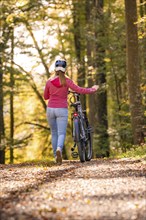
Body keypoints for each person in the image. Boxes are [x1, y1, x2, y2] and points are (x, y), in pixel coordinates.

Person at [44, 59, 99, 165]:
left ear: (55, 69)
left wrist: (53, 93)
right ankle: (59, 149)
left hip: (50, 109)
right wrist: (93, 89)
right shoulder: (67, 81)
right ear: (65, 69)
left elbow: (46, 97)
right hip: (61, 110)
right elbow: (80, 90)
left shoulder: (49, 81)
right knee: (61, 133)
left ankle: (56, 157)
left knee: (54, 133)